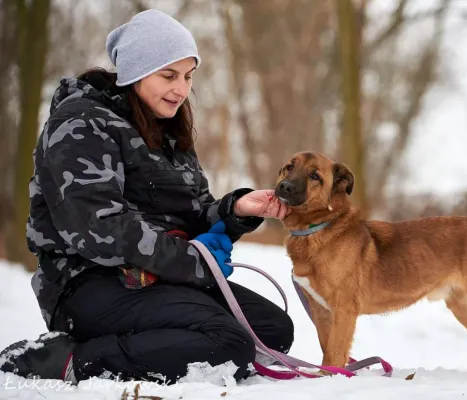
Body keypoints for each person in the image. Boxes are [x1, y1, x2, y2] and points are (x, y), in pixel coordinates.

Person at [0, 9, 293, 385]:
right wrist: (192, 263)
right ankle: (69, 359)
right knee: (229, 342)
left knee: (271, 330)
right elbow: (98, 229)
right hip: (89, 282)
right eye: (168, 75)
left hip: (158, 276)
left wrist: (235, 210)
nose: (181, 89)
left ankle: (160, 339)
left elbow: (191, 213)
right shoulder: (81, 125)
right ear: (135, 72)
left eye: (188, 76)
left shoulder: (167, 127)